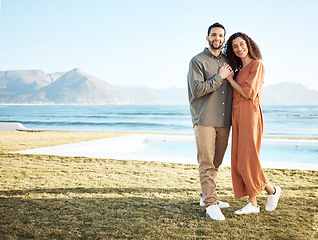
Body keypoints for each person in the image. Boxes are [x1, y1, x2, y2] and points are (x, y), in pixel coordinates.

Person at [225, 32, 281, 214]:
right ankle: (271, 191)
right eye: (235, 46)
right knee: (241, 160)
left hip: (250, 115)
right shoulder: (239, 69)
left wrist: (229, 79)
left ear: (248, 44)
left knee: (248, 159)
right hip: (237, 115)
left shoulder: (257, 65)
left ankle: (254, 203)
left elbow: (248, 93)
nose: (239, 48)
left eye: (241, 44)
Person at [187, 22, 233, 221]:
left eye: (221, 35)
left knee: (216, 162)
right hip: (204, 119)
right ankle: (211, 203)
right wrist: (219, 77)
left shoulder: (227, 61)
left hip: (224, 121)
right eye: (214, 35)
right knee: (206, 162)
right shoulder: (197, 61)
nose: (217, 38)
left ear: (224, 38)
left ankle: (206, 195)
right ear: (208, 38)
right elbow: (197, 90)